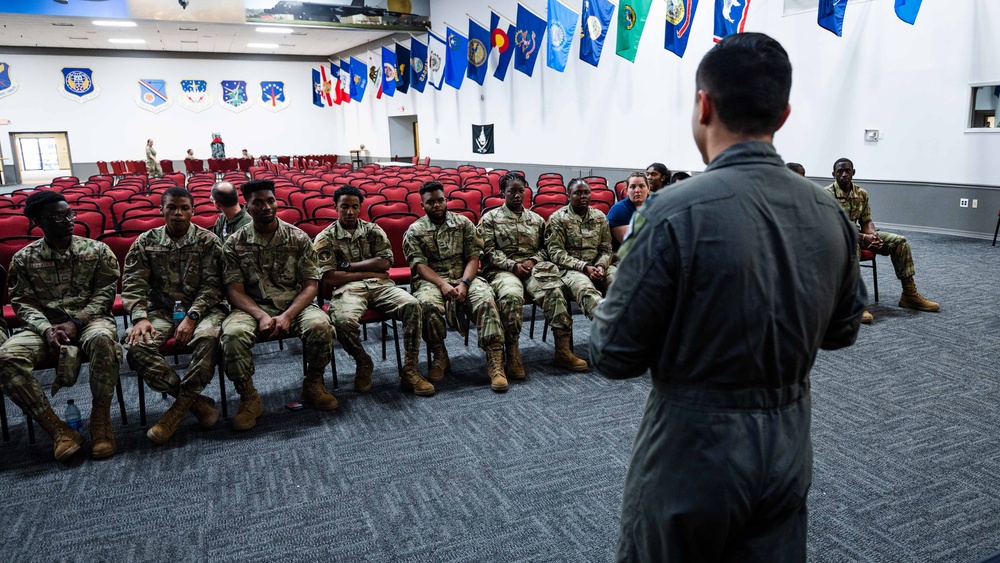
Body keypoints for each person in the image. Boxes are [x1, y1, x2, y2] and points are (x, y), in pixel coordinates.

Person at [589, 33, 866, 562]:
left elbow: (613, 354)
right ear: (783, 114)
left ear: (703, 105)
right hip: (788, 440)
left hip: (693, 447)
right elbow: (842, 331)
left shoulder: (671, 211)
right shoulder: (829, 212)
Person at [0, 192, 123, 461]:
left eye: (69, 214)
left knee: (104, 340)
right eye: (57, 216)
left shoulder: (97, 250)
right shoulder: (24, 259)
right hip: (45, 328)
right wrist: (45, 329)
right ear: (37, 221)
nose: (67, 220)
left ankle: (100, 422)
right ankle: (58, 430)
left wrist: (76, 322)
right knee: (6, 356)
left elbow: (105, 294)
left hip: (90, 321)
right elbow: (23, 303)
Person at [220, 179, 337, 431]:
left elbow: (310, 285)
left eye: (270, 200)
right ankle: (249, 396)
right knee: (232, 335)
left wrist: (288, 315)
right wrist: (261, 315)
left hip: (294, 304)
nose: (266, 207)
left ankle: (314, 383)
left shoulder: (298, 237)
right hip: (251, 307)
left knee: (321, 325)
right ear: (247, 207)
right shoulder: (234, 243)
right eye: (258, 202)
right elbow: (234, 291)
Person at [121, 186, 226, 445]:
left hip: (204, 310)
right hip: (162, 311)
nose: (178, 213)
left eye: (184, 208)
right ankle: (194, 402)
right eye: (171, 207)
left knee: (209, 339)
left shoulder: (208, 241)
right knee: (136, 347)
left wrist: (192, 317)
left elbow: (214, 285)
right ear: (161, 210)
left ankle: (176, 413)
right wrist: (140, 317)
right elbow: (133, 285)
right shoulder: (146, 242)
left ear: (193, 211)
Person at [314, 186, 434, 396]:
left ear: (360, 207)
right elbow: (330, 277)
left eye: (354, 207)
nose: (350, 212)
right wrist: (369, 273)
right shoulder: (325, 238)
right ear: (335, 207)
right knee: (341, 320)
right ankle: (363, 362)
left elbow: (385, 262)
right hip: (347, 290)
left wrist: (349, 267)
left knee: (413, 305)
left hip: (381, 287)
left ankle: (410, 369)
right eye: (344, 207)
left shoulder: (373, 230)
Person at [478, 172, 589, 376]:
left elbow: (546, 249)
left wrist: (532, 261)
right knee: (511, 296)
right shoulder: (490, 218)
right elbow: (487, 251)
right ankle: (512, 352)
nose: (517, 195)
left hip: (532, 267)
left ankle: (562, 350)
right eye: (512, 191)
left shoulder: (536, 220)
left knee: (554, 291)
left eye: (521, 191)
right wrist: (512, 265)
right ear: (503, 192)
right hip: (502, 270)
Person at [403, 181, 508, 392]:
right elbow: (419, 266)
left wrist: (465, 283)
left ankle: (495, 361)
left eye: (440, 200)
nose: (437, 205)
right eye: (430, 202)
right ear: (422, 205)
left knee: (486, 299)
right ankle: (440, 355)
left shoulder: (463, 223)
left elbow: (473, 257)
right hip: (432, 280)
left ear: (446, 200)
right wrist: (442, 284)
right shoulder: (415, 230)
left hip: (465, 276)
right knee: (426, 305)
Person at [826, 158, 939, 324]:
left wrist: (874, 237)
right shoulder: (826, 195)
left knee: (900, 242)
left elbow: (866, 221)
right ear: (833, 174)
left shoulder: (861, 193)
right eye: (840, 171)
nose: (844, 175)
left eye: (847, 171)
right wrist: (865, 238)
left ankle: (909, 294)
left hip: (860, 235)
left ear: (853, 172)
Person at [545, 178, 614, 320]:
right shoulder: (557, 218)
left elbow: (606, 249)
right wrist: (584, 267)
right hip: (570, 270)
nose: (583, 196)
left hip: (598, 266)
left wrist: (600, 265)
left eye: (586, 192)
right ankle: (608, 331)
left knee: (624, 285)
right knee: (588, 292)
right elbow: (556, 253)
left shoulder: (600, 217)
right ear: (568, 196)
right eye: (578, 193)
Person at [607, 172, 650, 247]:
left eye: (641, 186)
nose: (637, 190)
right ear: (627, 190)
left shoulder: (653, 205)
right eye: (633, 187)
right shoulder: (618, 209)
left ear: (648, 189)